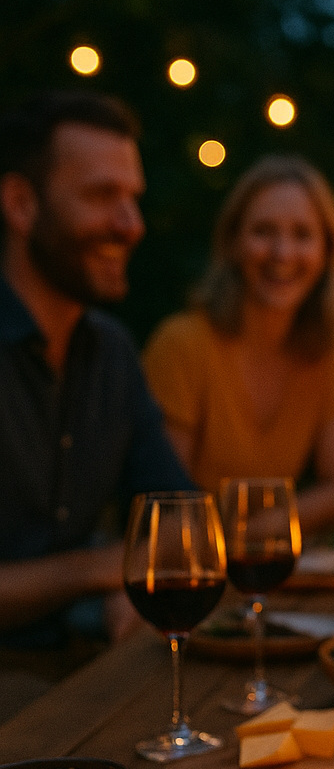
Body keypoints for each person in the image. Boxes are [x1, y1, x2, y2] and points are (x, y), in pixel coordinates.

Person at [0, 90, 192, 650]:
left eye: (133, 198)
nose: (131, 225)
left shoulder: (111, 351)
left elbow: (180, 519)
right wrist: (99, 570)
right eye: (103, 196)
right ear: (20, 204)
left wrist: (124, 581)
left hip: (79, 663)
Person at [143, 156, 334, 533]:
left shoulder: (321, 354)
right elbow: (165, 507)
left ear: (327, 251)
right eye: (263, 231)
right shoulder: (181, 345)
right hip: (187, 562)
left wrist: (259, 533)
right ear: (232, 243)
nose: (282, 253)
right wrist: (261, 536)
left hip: (261, 561)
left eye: (302, 235)